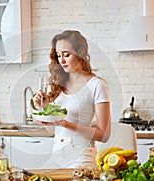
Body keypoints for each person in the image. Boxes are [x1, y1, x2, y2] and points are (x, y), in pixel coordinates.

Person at [33, 30, 111, 168]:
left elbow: (103, 135)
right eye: (58, 56)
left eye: (66, 55)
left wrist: (67, 124)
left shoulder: (96, 85)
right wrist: (44, 109)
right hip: (57, 156)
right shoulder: (59, 83)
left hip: (81, 157)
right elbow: (54, 132)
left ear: (80, 53)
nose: (61, 61)